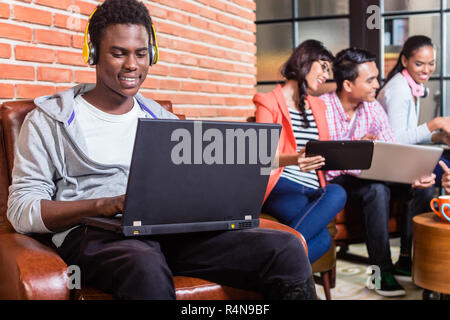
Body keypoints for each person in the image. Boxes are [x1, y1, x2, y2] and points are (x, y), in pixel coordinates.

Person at [6, 0, 317, 300]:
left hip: (170, 232)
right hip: (96, 235)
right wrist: (101, 204)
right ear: (93, 53)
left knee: (284, 248)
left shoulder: (161, 120)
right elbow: (22, 210)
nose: (132, 65)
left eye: (141, 54)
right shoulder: (48, 120)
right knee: (145, 264)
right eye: (118, 53)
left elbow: (214, 166)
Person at [320, 48, 435, 297]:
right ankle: (380, 271)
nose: (377, 85)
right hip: (336, 181)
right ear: (348, 84)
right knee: (376, 189)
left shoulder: (372, 108)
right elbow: (324, 161)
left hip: (369, 173)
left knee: (420, 188)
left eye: (377, 78)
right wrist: (357, 151)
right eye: (370, 80)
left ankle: (407, 259)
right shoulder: (322, 108)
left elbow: (391, 149)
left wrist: (413, 174)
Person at [253, 40, 347, 264]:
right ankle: (275, 273)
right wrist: (295, 159)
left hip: (314, 186)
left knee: (338, 193)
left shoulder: (318, 106)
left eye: (328, 70)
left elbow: (325, 150)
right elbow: (263, 158)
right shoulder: (268, 102)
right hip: (282, 186)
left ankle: (266, 266)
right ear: (305, 60)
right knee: (323, 239)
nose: (326, 74)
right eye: (323, 66)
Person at [377, 35, 450, 188]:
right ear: (404, 61)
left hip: (401, 158)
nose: (426, 70)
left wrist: (440, 137)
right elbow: (396, 141)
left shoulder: (411, 86)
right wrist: (435, 123)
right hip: (390, 164)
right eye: (419, 64)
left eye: (431, 63)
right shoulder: (399, 90)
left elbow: (408, 134)